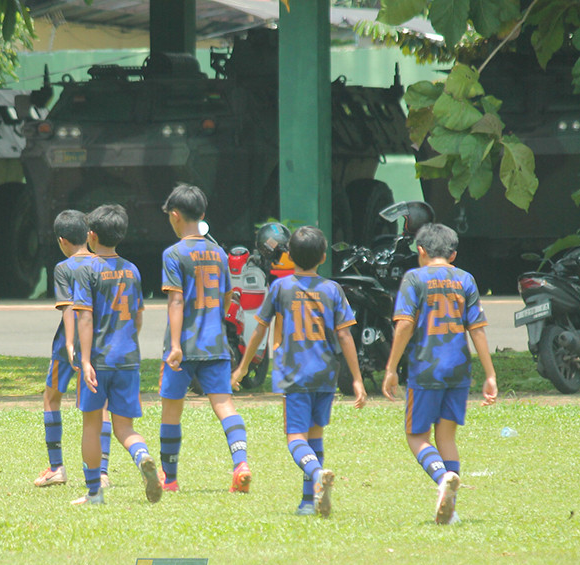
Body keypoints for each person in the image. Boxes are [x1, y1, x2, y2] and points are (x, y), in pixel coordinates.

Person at [232, 226, 366, 517]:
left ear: (289, 256)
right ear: (322, 256)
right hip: (326, 374)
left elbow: (259, 332)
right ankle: (308, 502)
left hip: (295, 374)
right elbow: (345, 337)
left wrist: (243, 368)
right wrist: (356, 379)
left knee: (295, 438)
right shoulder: (333, 289)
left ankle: (317, 475)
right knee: (314, 436)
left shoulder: (281, 287)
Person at [381, 221, 498, 525]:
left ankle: (442, 478)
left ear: (420, 251)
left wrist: (391, 368)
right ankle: (453, 510)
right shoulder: (465, 279)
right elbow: (478, 329)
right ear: (453, 254)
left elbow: (405, 324)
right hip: (458, 370)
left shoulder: (414, 278)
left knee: (416, 436)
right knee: (446, 436)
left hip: (426, 369)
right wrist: (490, 374)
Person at [159, 183, 251, 493]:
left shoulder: (173, 254)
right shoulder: (219, 253)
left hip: (182, 347)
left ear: (175, 216)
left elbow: (175, 302)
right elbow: (227, 299)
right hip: (215, 344)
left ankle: (169, 479)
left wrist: (174, 345)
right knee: (225, 405)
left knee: (172, 409)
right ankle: (241, 463)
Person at [72, 203, 162, 505]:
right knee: (125, 427)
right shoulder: (132, 270)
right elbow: (137, 316)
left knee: (91, 425)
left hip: (98, 359)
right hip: (128, 358)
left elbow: (84, 318)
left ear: (91, 235)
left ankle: (94, 492)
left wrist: (84, 360)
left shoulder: (86, 269)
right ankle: (143, 457)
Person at [35, 210, 113, 489]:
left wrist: (69, 342)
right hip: (101, 342)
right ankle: (101, 473)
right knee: (99, 404)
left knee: (51, 397)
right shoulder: (104, 264)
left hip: (68, 345)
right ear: (89, 235)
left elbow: (69, 307)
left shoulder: (63, 268)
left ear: (62, 241)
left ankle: (56, 467)